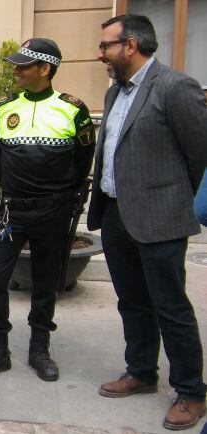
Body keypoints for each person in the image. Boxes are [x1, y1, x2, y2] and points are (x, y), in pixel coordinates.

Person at [88, 14, 207, 430]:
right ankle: (141, 371)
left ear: (131, 45)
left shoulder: (175, 87)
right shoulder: (115, 92)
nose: (100, 52)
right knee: (132, 302)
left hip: (161, 220)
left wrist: (173, 200)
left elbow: (200, 154)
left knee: (170, 307)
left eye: (106, 45)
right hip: (118, 214)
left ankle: (191, 391)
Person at [0, 38, 95, 383]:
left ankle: (40, 347)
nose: (16, 70)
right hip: (13, 212)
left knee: (45, 282)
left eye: (24, 65)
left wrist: (65, 200)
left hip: (53, 212)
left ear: (45, 69)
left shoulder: (74, 110)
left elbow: (82, 162)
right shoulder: (2, 109)